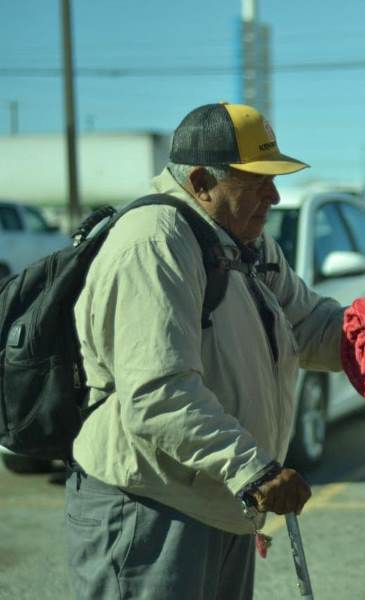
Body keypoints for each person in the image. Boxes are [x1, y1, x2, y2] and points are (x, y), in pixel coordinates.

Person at [66, 102, 346, 599]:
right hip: (151, 511)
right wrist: (254, 470)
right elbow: (159, 392)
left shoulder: (247, 243)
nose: (274, 195)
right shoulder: (154, 243)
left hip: (222, 502)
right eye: (256, 180)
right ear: (201, 181)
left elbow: (310, 325)